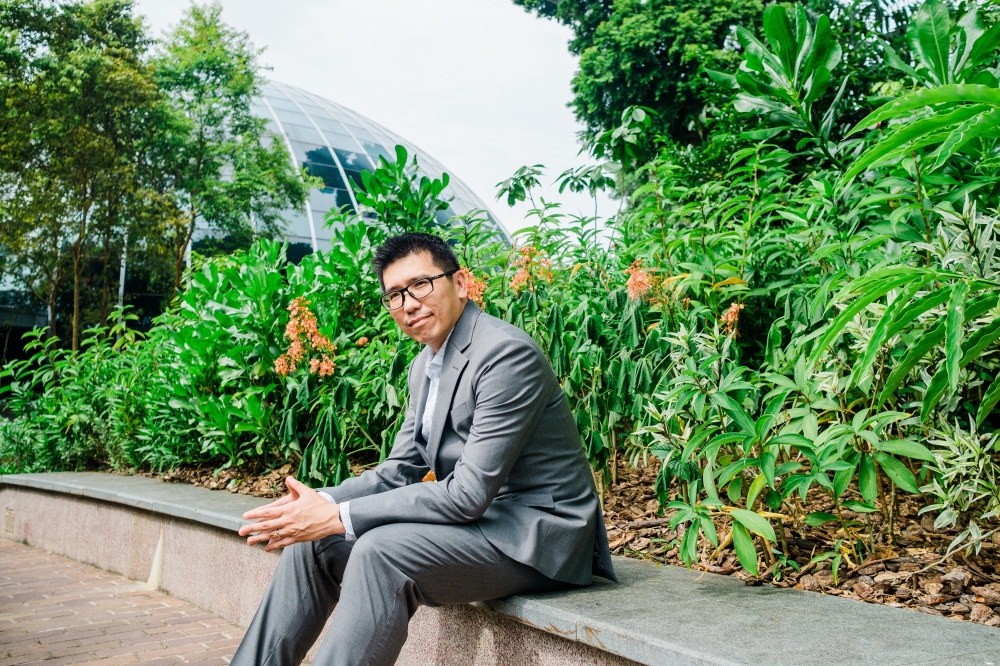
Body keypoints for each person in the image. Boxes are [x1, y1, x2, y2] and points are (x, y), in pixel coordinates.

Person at [231, 232, 616, 666]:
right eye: (394, 295)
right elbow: (400, 469)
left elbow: (467, 495)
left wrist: (338, 517)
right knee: (313, 544)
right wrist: (320, 503)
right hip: (485, 525)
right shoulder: (424, 365)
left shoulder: (504, 354)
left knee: (382, 552)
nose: (409, 303)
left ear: (461, 283)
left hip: (538, 536)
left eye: (420, 285)